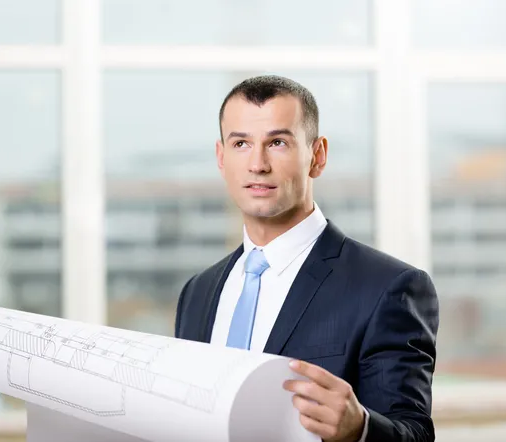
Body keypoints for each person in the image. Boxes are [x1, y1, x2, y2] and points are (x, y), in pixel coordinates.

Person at [174, 75, 439, 442]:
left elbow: (414, 434)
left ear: (317, 156)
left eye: (278, 142)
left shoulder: (388, 288)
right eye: (241, 143)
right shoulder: (197, 292)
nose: (257, 164)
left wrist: (359, 429)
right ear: (221, 156)